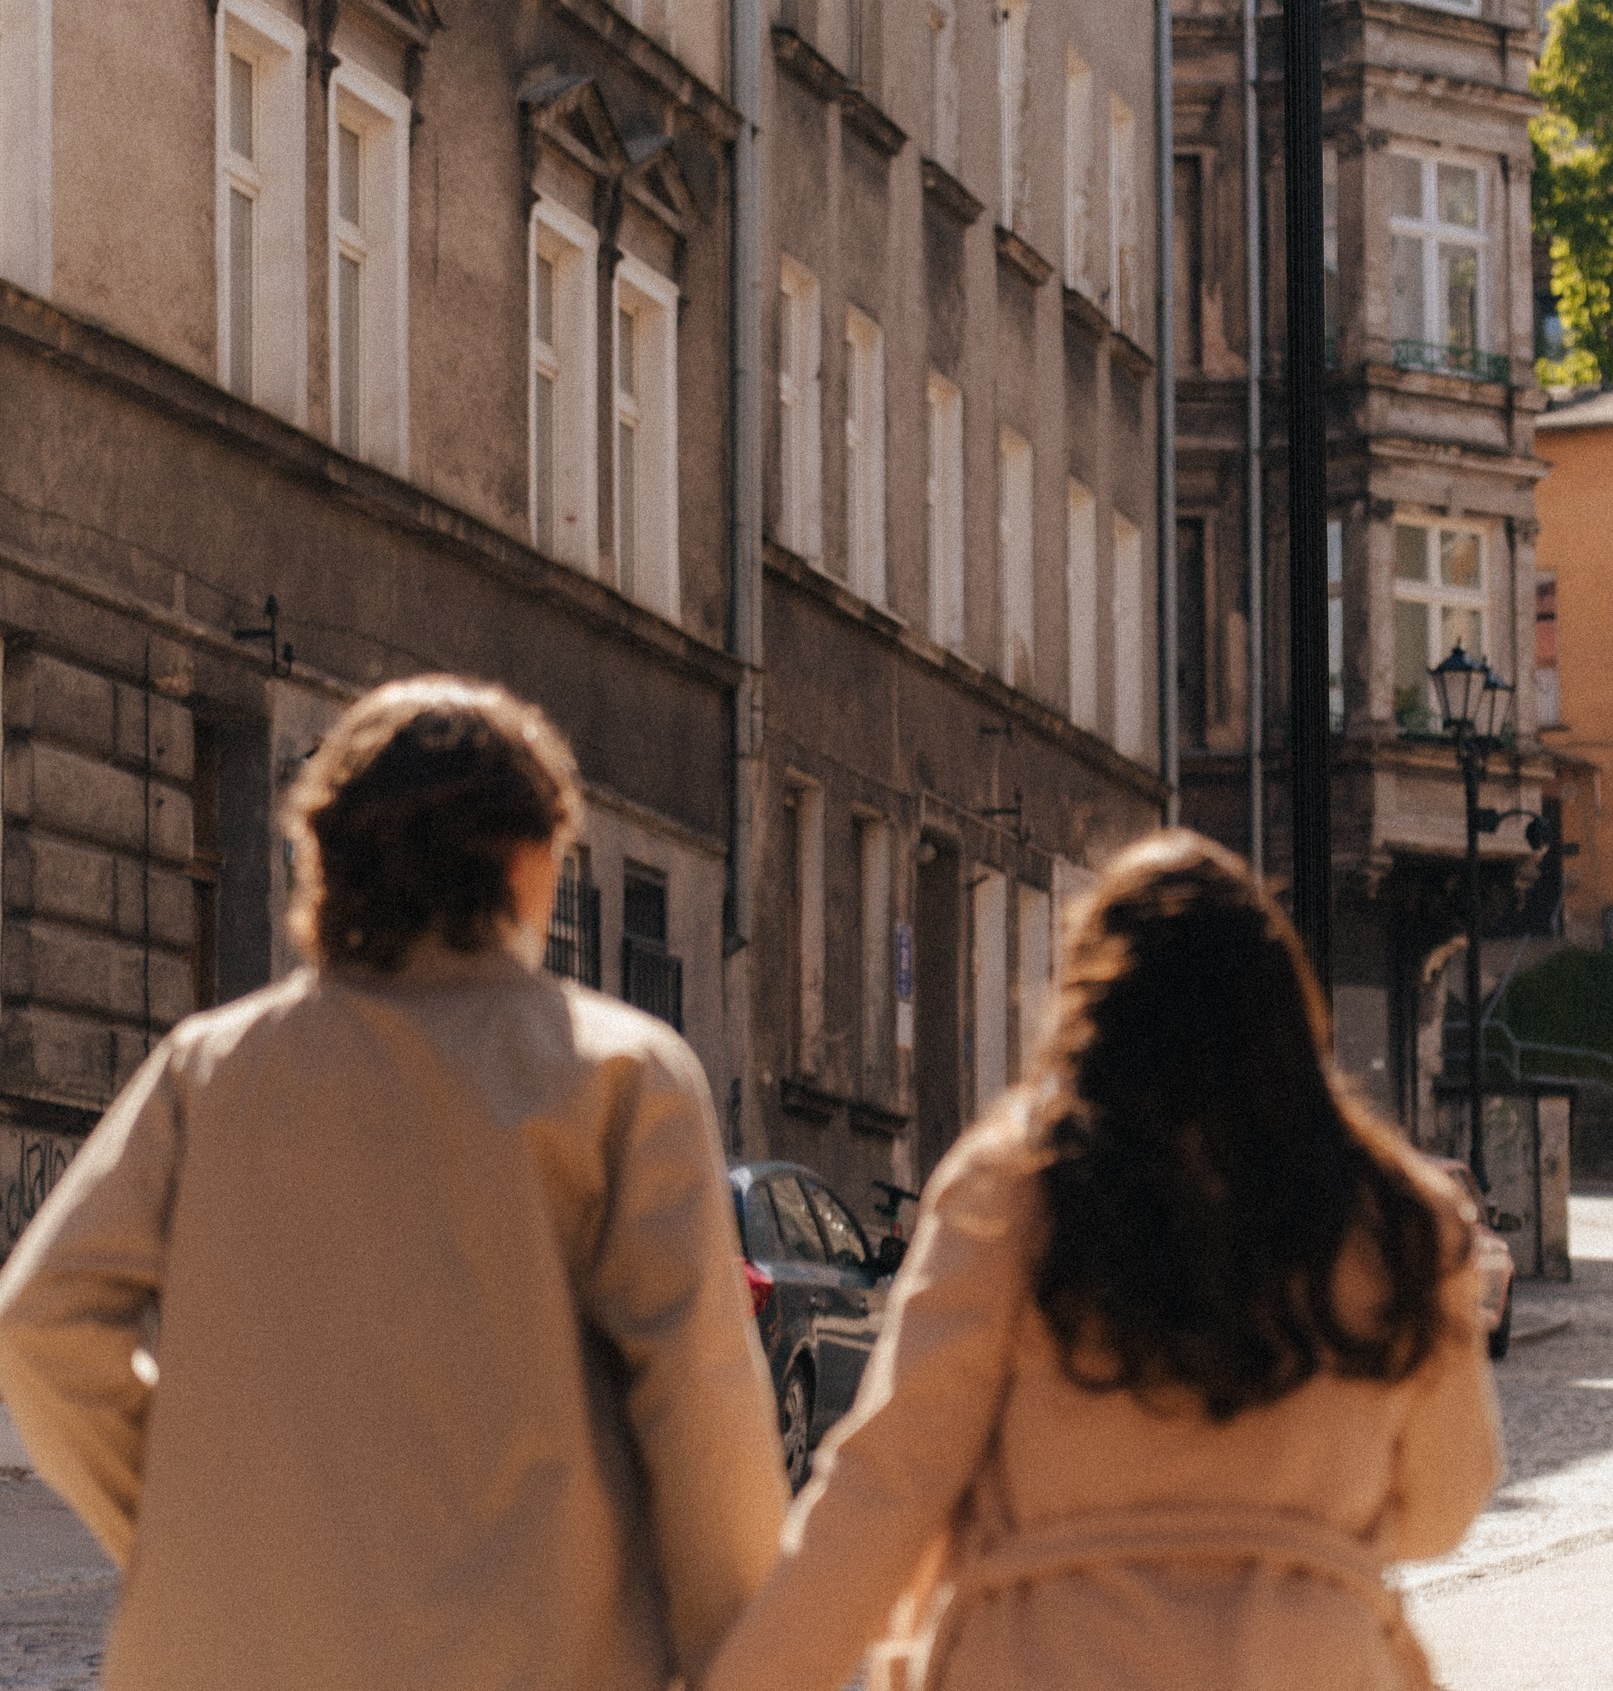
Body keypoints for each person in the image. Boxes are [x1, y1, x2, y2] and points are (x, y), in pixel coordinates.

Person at [0, 676, 786, 1690]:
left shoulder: (213, 1069)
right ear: (529, 860)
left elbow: (41, 1322)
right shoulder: (618, 1075)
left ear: (325, 858)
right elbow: (702, 1415)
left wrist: (189, 1525)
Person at [704, 829, 1503, 1691]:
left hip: (1051, 1656)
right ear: (1286, 1009)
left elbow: (888, 1484)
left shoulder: (1019, 1188)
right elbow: (1443, 1501)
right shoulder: (1401, 1221)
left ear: (1093, 1007)